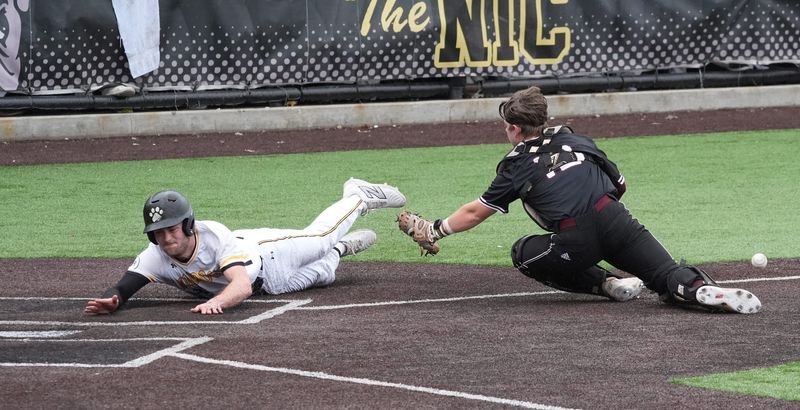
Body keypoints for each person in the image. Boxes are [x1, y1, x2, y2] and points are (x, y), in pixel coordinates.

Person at [398, 86, 761, 314]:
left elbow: (477, 211)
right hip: (617, 218)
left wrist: (433, 230)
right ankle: (697, 288)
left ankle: (605, 284)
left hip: (576, 239)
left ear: (514, 128)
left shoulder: (516, 165)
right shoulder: (578, 141)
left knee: (523, 252)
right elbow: (620, 185)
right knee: (663, 273)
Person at [84, 178, 405, 315]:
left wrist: (218, 302)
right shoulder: (156, 256)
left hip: (270, 254)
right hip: (273, 286)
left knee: (321, 238)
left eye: (171, 230)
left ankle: (358, 196)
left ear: (186, 224)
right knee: (325, 274)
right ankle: (342, 250)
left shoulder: (215, 238)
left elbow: (240, 285)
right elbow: (125, 285)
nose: (167, 239)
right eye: (158, 233)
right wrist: (115, 299)